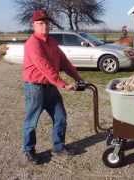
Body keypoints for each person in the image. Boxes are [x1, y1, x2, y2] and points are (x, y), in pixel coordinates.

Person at [22, 9, 82, 164]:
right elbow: (45, 67)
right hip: (35, 88)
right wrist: (64, 84)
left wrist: (78, 78)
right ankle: (29, 150)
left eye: (47, 23)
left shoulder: (52, 42)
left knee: (60, 117)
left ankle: (58, 147)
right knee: (32, 121)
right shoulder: (32, 44)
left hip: (50, 87)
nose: (45, 27)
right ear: (34, 25)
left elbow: (64, 62)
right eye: (41, 24)